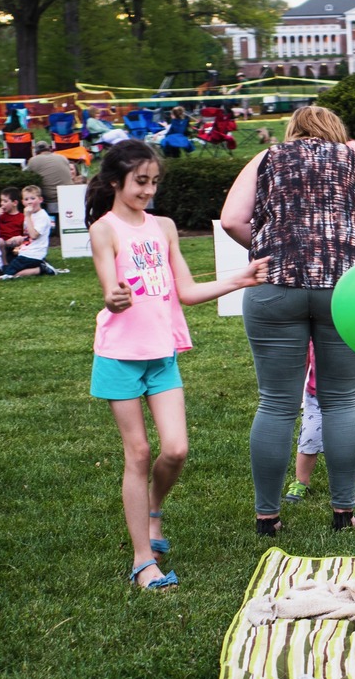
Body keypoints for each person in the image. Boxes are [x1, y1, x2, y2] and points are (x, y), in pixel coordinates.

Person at [87, 141, 270, 590]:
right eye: (140, 183)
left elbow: (184, 291)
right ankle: (142, 560)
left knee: (176, 450)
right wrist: (114, 296)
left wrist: (239, 280)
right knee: (140, 453)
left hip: (161, 353)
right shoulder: (104, 230)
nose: (148, 191)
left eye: (153, 182)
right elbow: (110, 288)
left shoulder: (163, 227)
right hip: (119, 356)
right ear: (116, 182)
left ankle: (153, 510)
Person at [219, 105, 355, 537]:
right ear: (335, 132)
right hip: (345, 291)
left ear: (292, 130)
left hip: (275, 285)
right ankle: (343, 511)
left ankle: (267, 516)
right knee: (339, 399)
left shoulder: (267, 158)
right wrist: (349, 245)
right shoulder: (353, 159)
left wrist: (267, 248)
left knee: (276, 403)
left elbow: (230, 220)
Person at [285, 345, 355, 505]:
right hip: (317, 395)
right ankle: (301, 481)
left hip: (352, 393)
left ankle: (354, 482)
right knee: (310, 438)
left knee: (353, 439)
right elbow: (304, 360)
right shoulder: (314, 331)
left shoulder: (353, 329)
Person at [0, 185, 63, 278]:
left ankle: (41, 268)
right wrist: (19, 240)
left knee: (9, 273)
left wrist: (27, 216)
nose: (29, 202)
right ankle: (40, 267)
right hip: (25, 252)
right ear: (22, 202)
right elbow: (28, 236)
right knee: (7, 271)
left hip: (34, 254)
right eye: (26, 199)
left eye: (32, 198)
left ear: (40, 199)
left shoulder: (42, 216)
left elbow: (34, 235)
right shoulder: (31, 215)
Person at [26, 139, 78, 217]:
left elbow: (27, 178)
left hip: (49, 202)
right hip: (69, 198)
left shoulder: (33, 160)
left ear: (36, 153)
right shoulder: (62, 158)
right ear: (49, 149)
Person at [0, 186, 27, 259]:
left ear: (14, 203)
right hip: (0, 246)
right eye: (1, 201)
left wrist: (20, 239)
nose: (2, 203)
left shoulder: (22, 217)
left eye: (5, 201)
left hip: (15, 246)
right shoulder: (0, 216)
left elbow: (26, 235)